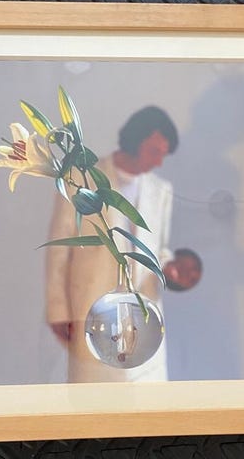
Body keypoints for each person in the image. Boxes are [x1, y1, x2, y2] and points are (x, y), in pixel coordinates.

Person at [45, 106, 200, 382]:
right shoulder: (80, 180)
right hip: (93, 312)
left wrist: (169, 268)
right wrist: (58, 310)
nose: (158, 162)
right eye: (154, 151)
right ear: (134, 139)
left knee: (147, 397)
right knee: (95, 395)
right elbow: (59, 250)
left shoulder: (161, 190)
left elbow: (160, 248)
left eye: (163, 155)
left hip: (145, 317)